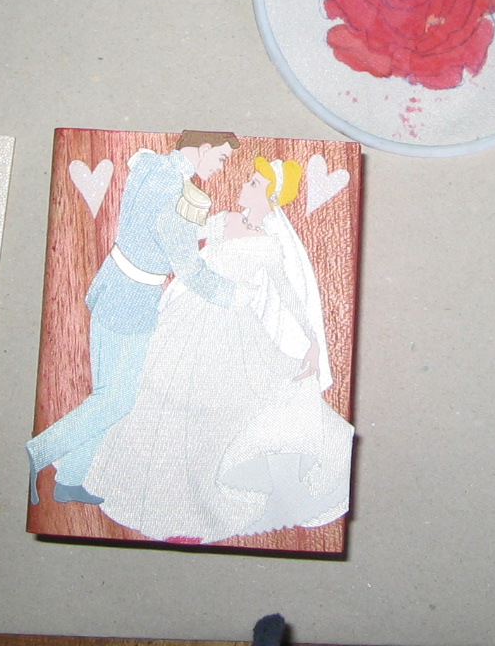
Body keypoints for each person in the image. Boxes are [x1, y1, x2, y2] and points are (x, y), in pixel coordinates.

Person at [83, 157, 354, 544]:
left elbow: (288, 293)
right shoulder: (223, 220)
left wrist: (312, 339)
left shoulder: (268, 245)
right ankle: (132, 485)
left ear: (270, 197)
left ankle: (194, 502)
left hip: (233, 332)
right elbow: (180, 239)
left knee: (212, 409)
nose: (245, 186)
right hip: (188, 316)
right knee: (155, 393)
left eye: (255, 183)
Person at [27, 131, 247, 506]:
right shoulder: (174, 192)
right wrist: (238, 297)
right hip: (132, 300)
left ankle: (70, 479)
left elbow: (154, 228)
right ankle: (39, 453)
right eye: (221, 158)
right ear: (204, 148)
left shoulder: (151, 166)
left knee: (107, 394)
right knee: (116, 400)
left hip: (114, 286)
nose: (220, 167)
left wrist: (209, 227)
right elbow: (189, 269)